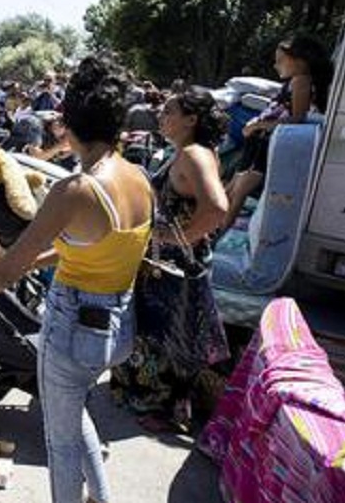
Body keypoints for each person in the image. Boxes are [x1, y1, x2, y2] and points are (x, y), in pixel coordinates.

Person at [0, 57, 152, 503]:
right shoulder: (139, 179)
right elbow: (86, 248)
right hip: (117, 327)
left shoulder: (77, 191)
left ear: (67, 124)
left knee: (60, 445)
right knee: (71, 411)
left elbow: (5, 271)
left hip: (73, 330)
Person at [111, 88, 230, 434]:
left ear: (191, 120)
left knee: (173, 337)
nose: (161, 117)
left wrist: (174, 238)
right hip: (165, 263)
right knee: (156, 332)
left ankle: (168, 409)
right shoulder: (185, 152)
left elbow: (218, 208)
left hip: (177, 266)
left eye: (169, 112)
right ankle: (150, 397)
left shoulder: (194, 155)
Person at [221, 34, 333, 231]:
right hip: (259, 142)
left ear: (300, 61)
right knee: (232, 189)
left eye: (280, 60)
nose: (275, 65)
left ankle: (212, 237)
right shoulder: (294, 81)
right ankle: (210, 233)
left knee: (237, 193)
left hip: (264, 144)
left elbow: (297, 118)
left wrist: (258, 125)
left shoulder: (301, 80)